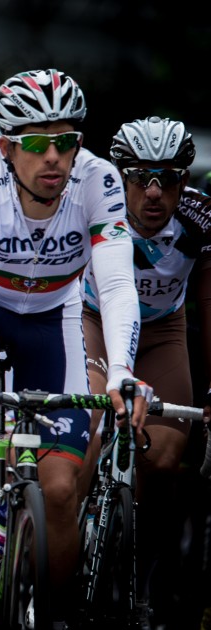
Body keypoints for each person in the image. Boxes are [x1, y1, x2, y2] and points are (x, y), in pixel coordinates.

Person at [0, 69, 150, 620]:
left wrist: (121, 369)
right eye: (37, 143)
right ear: (6, 147)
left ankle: (55, 613)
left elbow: (118, 284)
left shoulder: (97, 179)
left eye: (67, 141)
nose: (55, 156)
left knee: (60, 490)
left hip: (55, 317)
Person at [80, 115, 211, 624]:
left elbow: (207, 301)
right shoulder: (95, 203)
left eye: (169, 179)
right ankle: (63, 545)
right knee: (87, 433)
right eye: (139, 178)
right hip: (93, 325)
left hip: (161, 334)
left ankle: (146, 578)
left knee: (164, 459)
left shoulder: (200, 221)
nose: (154, 193)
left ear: (185, 181)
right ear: (121, 177)